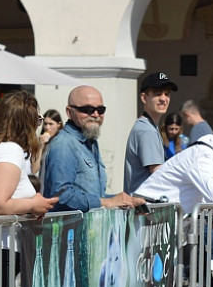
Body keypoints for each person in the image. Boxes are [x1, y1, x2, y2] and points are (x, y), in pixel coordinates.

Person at [0, 91, 59, 287]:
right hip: (2, 250)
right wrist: (33, 204)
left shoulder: (9, 150)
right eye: (38, 119)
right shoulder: (10, 151)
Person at [42, 85, 143, 213]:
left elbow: (93, 196)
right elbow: (61, 196)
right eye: (88, 109)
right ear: (69, 112)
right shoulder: (64, 144)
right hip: (70, 231)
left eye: (100, 110)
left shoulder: (91, 142)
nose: (96, 114)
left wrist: (127, 200)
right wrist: (107, 202)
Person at [124, 71, 177, 193]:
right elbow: (158, 173)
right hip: (144, 208)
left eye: (167, 94)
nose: (163, 99)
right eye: (157, 94)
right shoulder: (146, 130)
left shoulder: (149, 127)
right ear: (144, 98)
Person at [35, 109, 63, 182]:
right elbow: (34, 169)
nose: (47, 128)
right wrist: (41, 147)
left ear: (59, 124)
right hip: (42, 186)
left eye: (51, 124)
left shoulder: (61, 143)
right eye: (45, 124)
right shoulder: (42, 142)